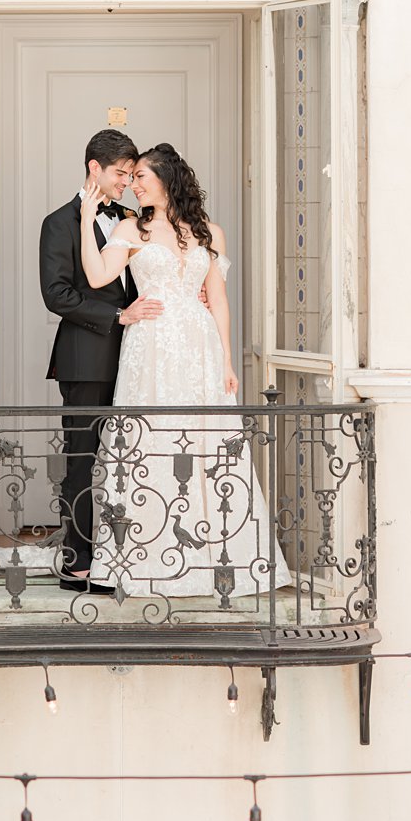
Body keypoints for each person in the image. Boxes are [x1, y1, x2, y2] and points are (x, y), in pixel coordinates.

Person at [78, 142, 284, 600]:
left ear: (167, 181)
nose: (133, 185)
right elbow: (96, 278)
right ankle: (146, 559)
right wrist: (86, 220)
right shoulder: (132, 229)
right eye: (130, 179)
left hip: (199, 347)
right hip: (149, 347)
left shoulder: (210, 232)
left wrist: (228, 360)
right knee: (151, 438)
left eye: (142, 178)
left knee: (204, 437)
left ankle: (211, 558)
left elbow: (219, 300)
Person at [38, 129, 161, 595]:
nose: (127, 183)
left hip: (141, 359)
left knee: (132, 460)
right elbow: (57, 294)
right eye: (121, 174)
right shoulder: (58, 222)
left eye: (133, 175)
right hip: (85, 360)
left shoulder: (133, 219)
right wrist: (117, 315)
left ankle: (126, 557)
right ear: (95, 167)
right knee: (82, 462)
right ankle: (78, 563)